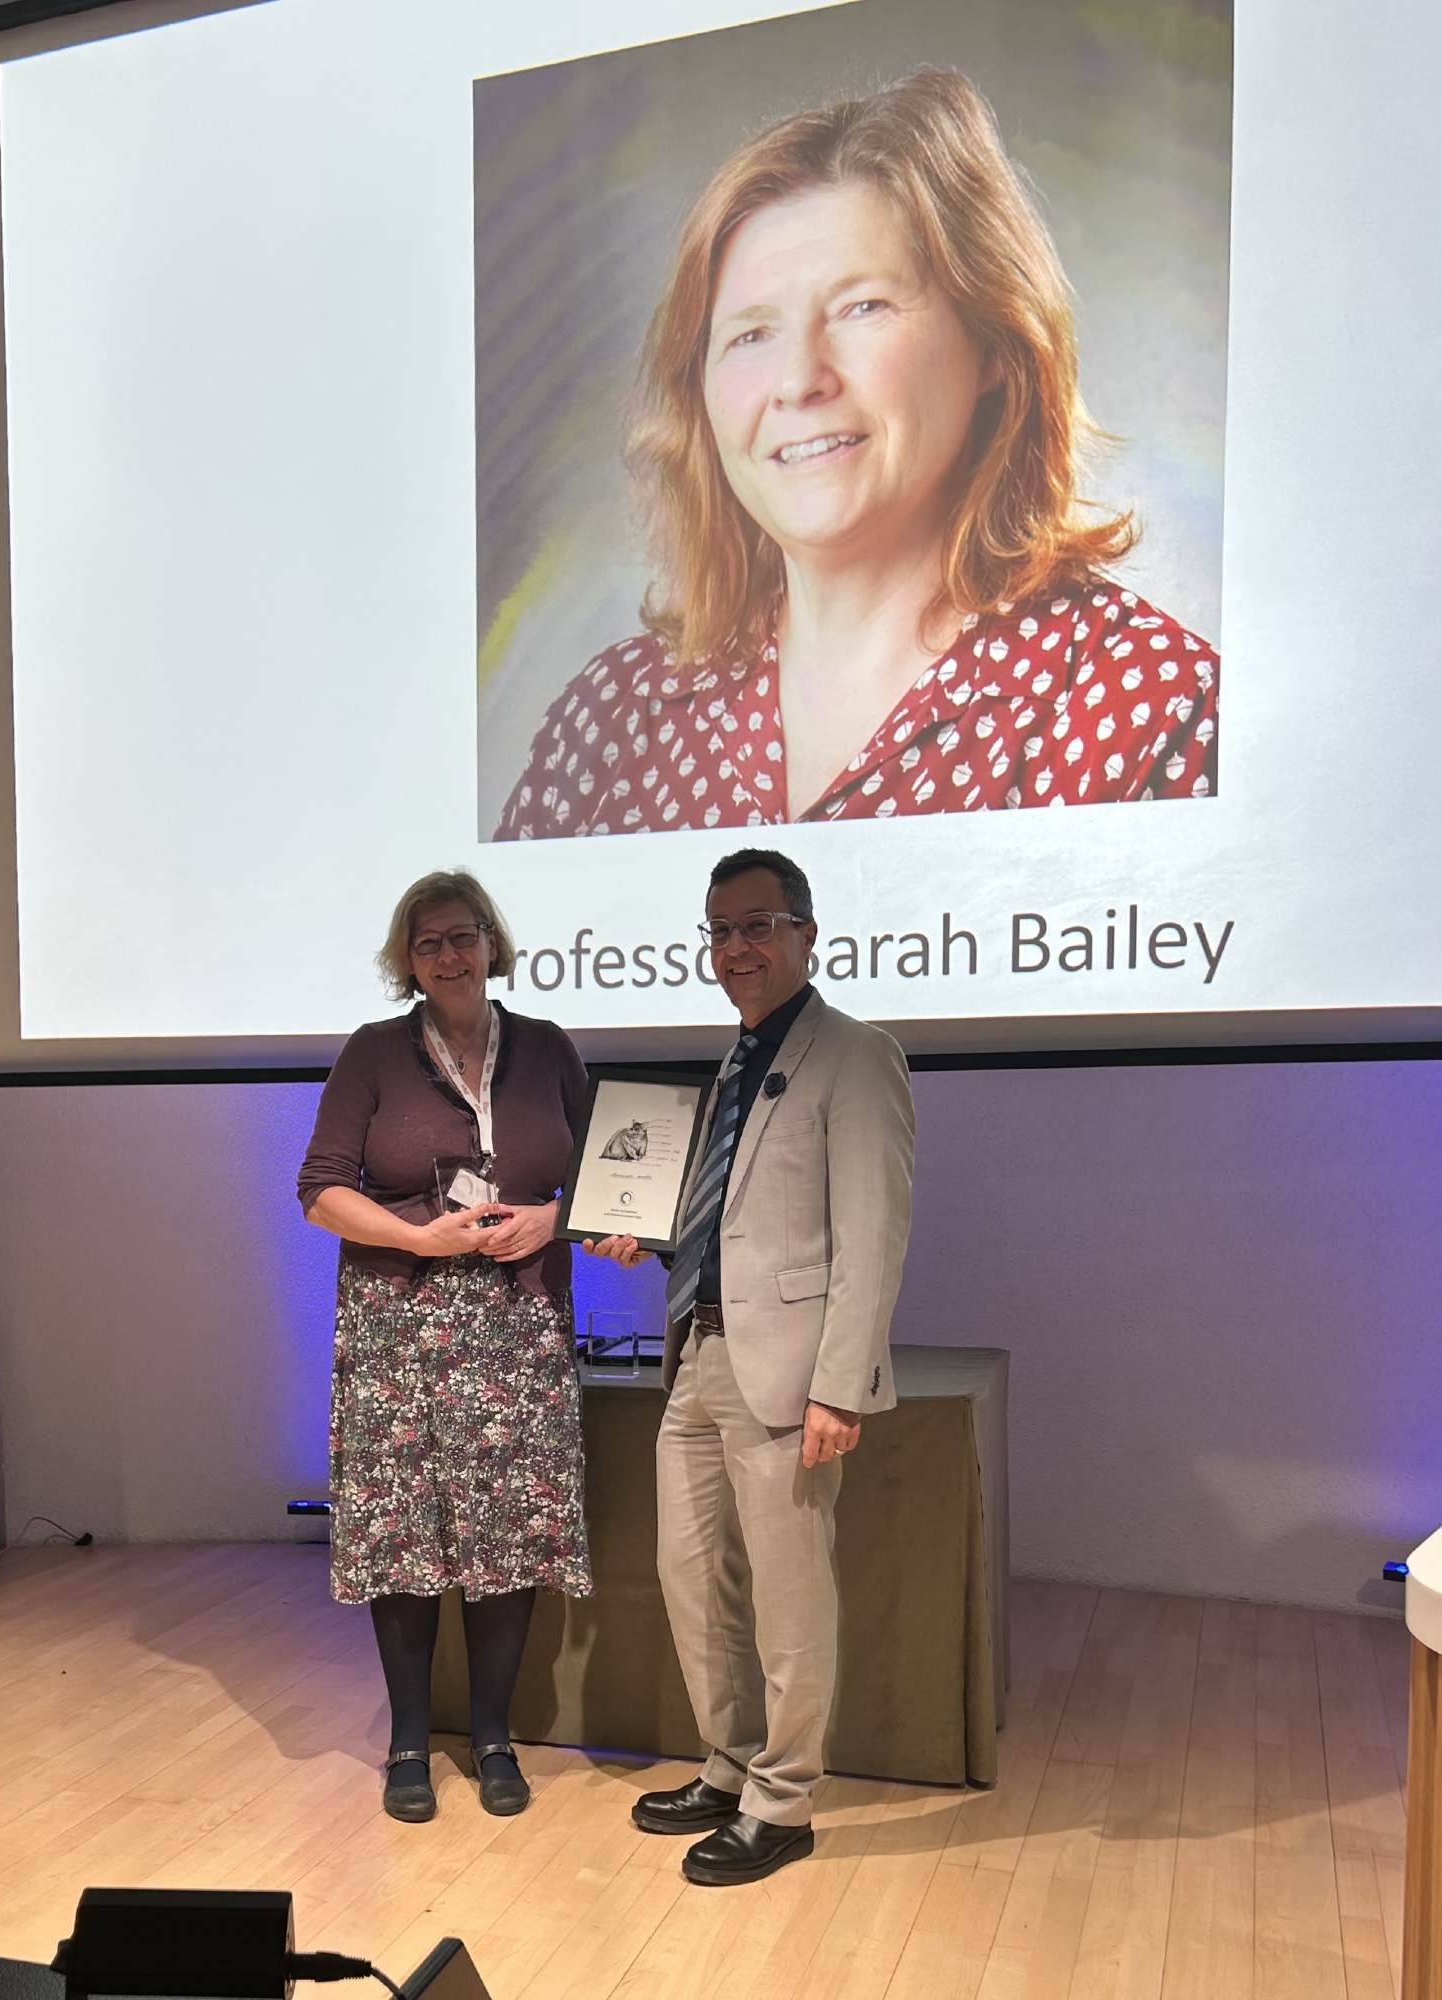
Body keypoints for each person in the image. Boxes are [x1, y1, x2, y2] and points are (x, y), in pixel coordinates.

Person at [497, 69, 1217, 841]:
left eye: (860, 307)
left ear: (992, 344)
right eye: (750, 334)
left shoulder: (1153, 706)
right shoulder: (608, 725)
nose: (799, 380)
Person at [590, 848, 915, 1884]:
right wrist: (653, 1239)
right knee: (692, 1580)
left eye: (758, 926)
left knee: (788, 1597)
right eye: (721, 930)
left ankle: (783, 1799)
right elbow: (731, 1222)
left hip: (788, 1373)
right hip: (695, 1353)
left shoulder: (855, 1054)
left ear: (806, 934)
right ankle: (728, 1766)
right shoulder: (732, 1062)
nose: (737, 947)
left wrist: (840, 1385)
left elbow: (871, 1236)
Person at [297, 869, 591, 1823]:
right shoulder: (373, 1053)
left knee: (509, 1529)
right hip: (399, 1325)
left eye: (463, 935)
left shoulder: (547, 1048)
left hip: (520, 1319)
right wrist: (418, 1239)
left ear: (490, 943)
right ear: (407, 960)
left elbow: (606, 1177)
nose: (449, 955)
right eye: (428, 942)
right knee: (405, 1534)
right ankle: (410, 1742)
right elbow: (319, 1190)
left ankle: (495, 1737)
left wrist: (550, 1220)